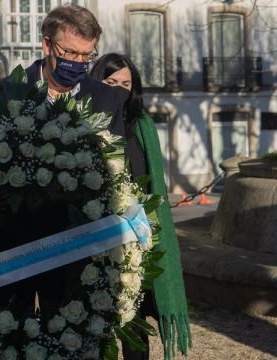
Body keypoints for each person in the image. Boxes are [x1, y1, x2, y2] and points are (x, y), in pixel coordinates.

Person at [0, 4, 144, 319]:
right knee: (12, 335)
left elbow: (116, 170)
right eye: (70, 53)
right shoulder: (7, 93)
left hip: (76, 250)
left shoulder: (109, 100)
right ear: (46, 44)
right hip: (14, 244)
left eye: (87, 56)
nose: (78, 63)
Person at [90, 53, 192, 360]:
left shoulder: (143, 126)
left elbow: (151, 181)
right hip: (96, 238)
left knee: (133, 319)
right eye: (110, 82)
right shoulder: (85, 123)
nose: (119, 89)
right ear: (96, 83)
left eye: (126, 83)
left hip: (140, 238)